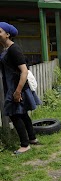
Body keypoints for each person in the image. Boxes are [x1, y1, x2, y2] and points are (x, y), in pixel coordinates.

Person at [0, 22, 41, 154]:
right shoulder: (6, 50)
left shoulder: (13, 49)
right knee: (22, 114)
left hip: (16, 87)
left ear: (7, 34)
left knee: (14, 115)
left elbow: (24, 71)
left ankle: (25, 145)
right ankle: (32, 138)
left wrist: (17, 92)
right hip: (12, 86)